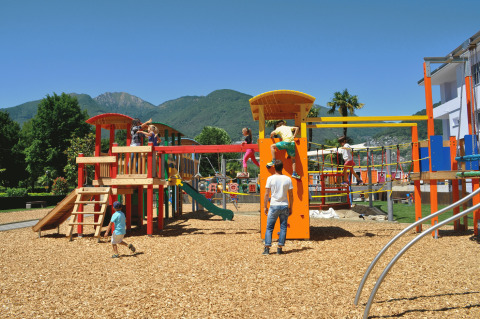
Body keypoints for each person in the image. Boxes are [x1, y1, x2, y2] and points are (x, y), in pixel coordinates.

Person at [263, 160, 293, 255]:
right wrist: (291, 206)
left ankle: (267, 248)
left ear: (274, 168)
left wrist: (265, 206)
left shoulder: (270, 178)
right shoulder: (288, 179)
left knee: (269, 228)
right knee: (283, 227)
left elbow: (267, 194)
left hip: (274, 205)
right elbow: (291, 195)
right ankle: (279, 248)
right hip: (284, 205)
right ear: (282, 168)